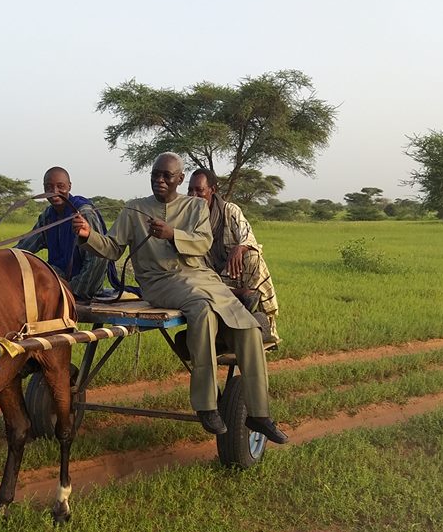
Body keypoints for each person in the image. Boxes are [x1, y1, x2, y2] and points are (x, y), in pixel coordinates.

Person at [72, 152, 287, 443]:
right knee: (202, 310)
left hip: (202, 277)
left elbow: (203, 243)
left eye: (167, 176)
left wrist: (173, 234)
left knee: (248, 326)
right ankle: (206, 404)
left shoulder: (195, 206)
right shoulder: (134, 210)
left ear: (180, 179)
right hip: (160, 281)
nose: (160, 180)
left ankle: (259, 414)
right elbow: (112, 248)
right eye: (155, 175)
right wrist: (88, 235)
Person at [187, 168, 280, 340]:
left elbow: (248, 236)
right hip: (209, 278)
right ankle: (242, 296)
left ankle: (251, 310)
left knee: (253, 256)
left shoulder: (230, 210)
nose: (194, 195)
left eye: (199, 190)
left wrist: (239, 248)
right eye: (190, 190)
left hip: (233, 273)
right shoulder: (188, 217)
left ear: (212, 190)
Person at [16, 166, 110, 301]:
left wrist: (72, 290)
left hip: (84, 285)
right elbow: (25, 247)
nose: (54, 192)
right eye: (49, 187)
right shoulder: (48, 216)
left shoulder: (83, 213)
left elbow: (98, 258)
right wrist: (4, 259)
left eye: (60, 186)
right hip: (57, 279)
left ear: (69, 186)